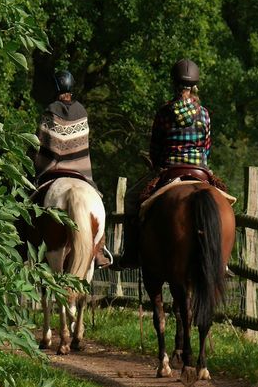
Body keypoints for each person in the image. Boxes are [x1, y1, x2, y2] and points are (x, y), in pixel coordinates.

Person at [119, 58, 211, 267]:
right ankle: (222, 261)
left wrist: (157, 163)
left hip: (169, 169)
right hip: (200, 171)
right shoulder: (204, 113)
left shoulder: (164, 112)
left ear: (174, 84)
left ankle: (131, 253)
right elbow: (207, 147)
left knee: (131, 199)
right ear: (194, 86)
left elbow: (156, 148)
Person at [34, 69, 112, 269]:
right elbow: (82, 145)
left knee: (28, 199)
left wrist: (35, 164)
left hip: (52, 171)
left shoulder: (49, 111)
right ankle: (99, 250)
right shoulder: (82, 112)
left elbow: (41, 146)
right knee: (97, 200)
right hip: (81, 173)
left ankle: (21, 245)